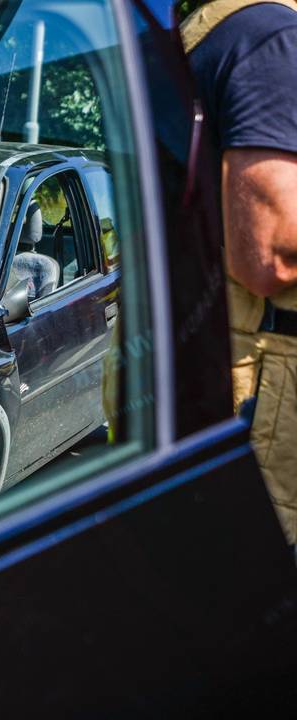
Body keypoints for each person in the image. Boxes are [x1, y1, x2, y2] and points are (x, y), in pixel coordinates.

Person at [182, 0, 297, 544]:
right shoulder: (271, 39)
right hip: (267, 392)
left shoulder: (214, 34)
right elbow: (273, 252)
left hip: (225, 369)